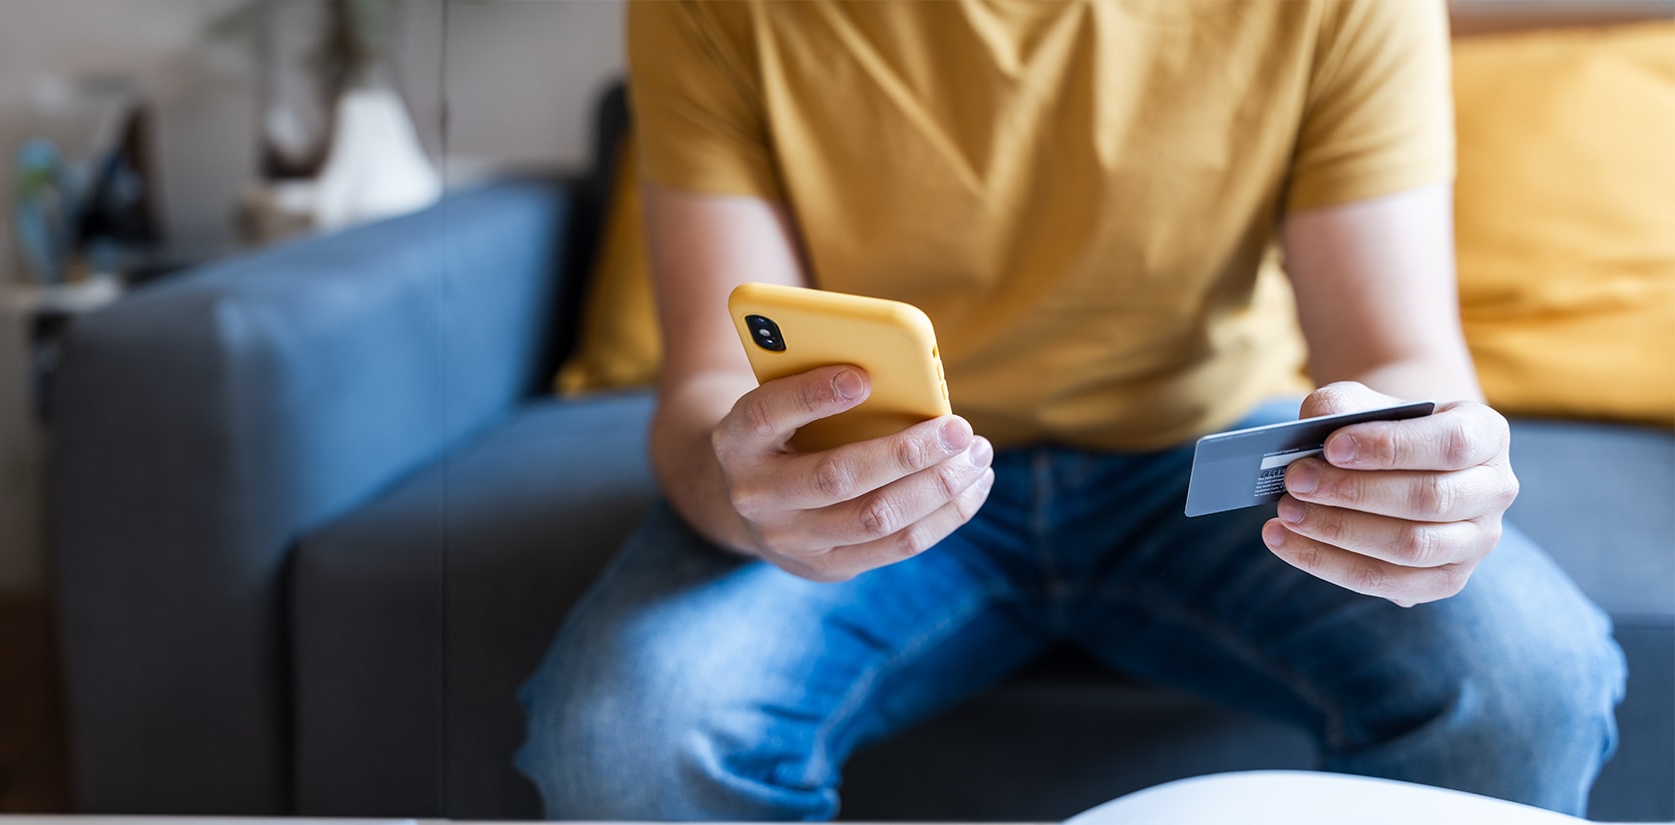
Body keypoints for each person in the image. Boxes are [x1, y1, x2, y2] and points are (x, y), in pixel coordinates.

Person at [515, 0, 1627, 818]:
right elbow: (710, 385)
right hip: (901, 471)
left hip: (1207, 459)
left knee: (1535, 678)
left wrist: (1434, 471)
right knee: (626, 728)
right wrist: (750, 497)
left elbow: (1396, 351)